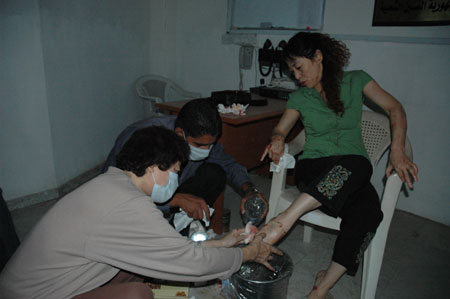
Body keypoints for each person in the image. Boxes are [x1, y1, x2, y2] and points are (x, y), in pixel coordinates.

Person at [0, 126, 281, 299]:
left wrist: (224, 242)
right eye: (173, 171)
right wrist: (247, 253)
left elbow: (165, 249)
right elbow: (189, 263)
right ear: (152, 167)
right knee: (138, 294)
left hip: (37, 285)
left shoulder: (112, 184)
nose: (175, 179)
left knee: (138, 267)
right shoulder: (128, 207)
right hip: (34, 295)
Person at [259, 32, 419, 299]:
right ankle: (287, 219)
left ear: (318, 56)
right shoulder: (300, 98)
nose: (297, 77)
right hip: (314, 168)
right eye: (292, 71)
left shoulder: (357, 80)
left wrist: (398, 150)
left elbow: (395, 108)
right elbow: (281, 128)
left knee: (368, 213)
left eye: (299, 67)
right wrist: (277, 139)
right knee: (358, 165)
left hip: (351, 172)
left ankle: (320, 288)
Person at [103, 98, 268, 230]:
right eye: (199, 145)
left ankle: (179, 226)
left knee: (215, 173)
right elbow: (119, 193)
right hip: (132, 202)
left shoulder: (204, 139)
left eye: (210, 144)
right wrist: (174, 201)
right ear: (180, 133)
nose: (206, 150)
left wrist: (249, 190)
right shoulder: (143, 140)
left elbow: (229, 164)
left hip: (172, 190)